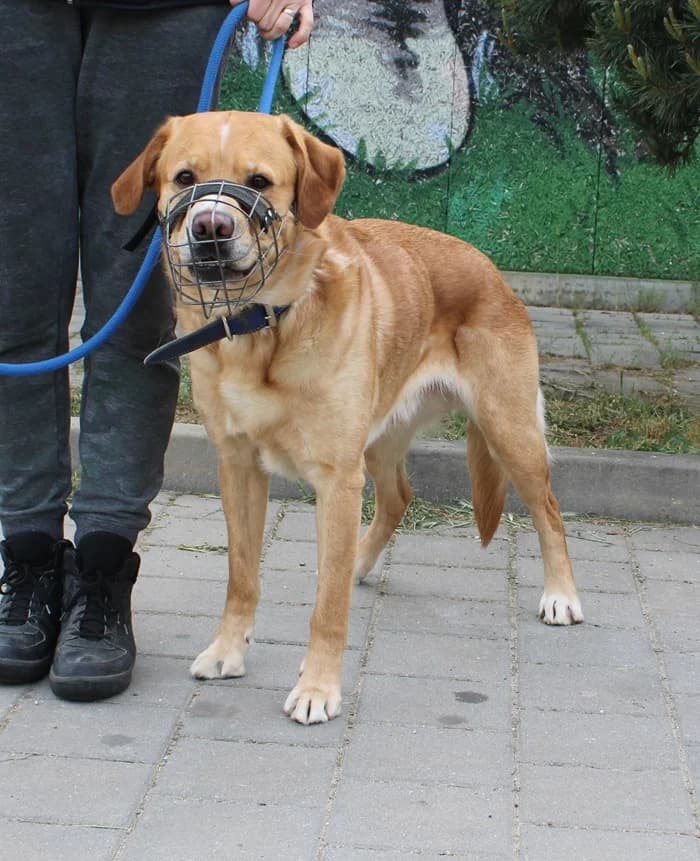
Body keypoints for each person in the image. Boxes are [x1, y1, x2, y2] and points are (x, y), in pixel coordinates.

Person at [0, 0, 313, 702]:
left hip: (166, 12)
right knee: (12, 303)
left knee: (137, 319)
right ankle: (28, 559)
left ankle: (103, 571)